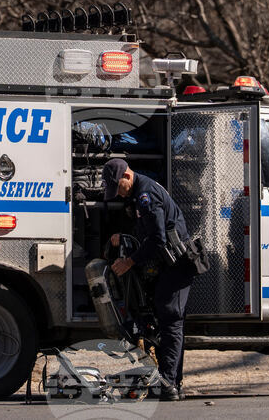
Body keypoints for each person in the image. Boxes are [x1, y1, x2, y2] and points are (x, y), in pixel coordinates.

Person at [102, 158, 194, 402]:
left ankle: (168, 384)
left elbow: (157, 240)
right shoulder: (139, 193)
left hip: (177, 266)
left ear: (127, 176)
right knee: (167, 323)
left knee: (170, 321)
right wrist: (121, 238)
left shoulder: (146, 195)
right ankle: (173, 383)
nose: (119, 195)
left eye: (118, 188)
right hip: (170, 266)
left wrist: (129, 261)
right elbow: (146, 233)